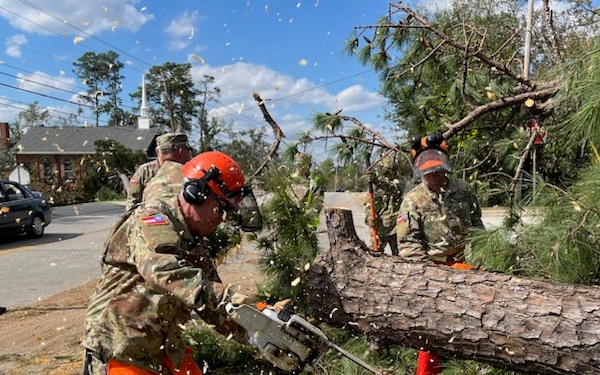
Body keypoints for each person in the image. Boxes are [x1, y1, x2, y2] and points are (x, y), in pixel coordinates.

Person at [83, 151, 262, 375]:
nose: (223, 218)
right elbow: (160, 268)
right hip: (123, 348)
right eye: (221, 207)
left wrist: (260, 325)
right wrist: (227, 297)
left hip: (164, 350)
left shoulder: (194, 243)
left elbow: (214, 307)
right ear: (196, 193)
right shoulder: (152, 218)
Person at [395, 134, 485, 375]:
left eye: (436, 171)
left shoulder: (463, 191)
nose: (433, 176)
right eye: (428, 173)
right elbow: (408, 245)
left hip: (465, 268)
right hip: (432, 272)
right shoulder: (413, 201)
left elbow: (478, 230)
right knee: (432, 336)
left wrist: (477, 264)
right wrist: (431, 276)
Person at [125, 132, 192, 210]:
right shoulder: (145, 171)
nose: (190, 155)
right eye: (188, 151)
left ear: (158, 151)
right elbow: (132, 203)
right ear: (181, 152)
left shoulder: (190, 170)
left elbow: (132, 203)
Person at [364, 151, 409, 255]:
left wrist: (377, 181)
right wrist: (369, 218)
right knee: (374, 255)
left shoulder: (400, 181)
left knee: (401, 257)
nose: (389, 173)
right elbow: (368, 204)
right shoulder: (375, 186)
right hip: (380, 228)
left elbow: (393, 189)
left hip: (396, 228)